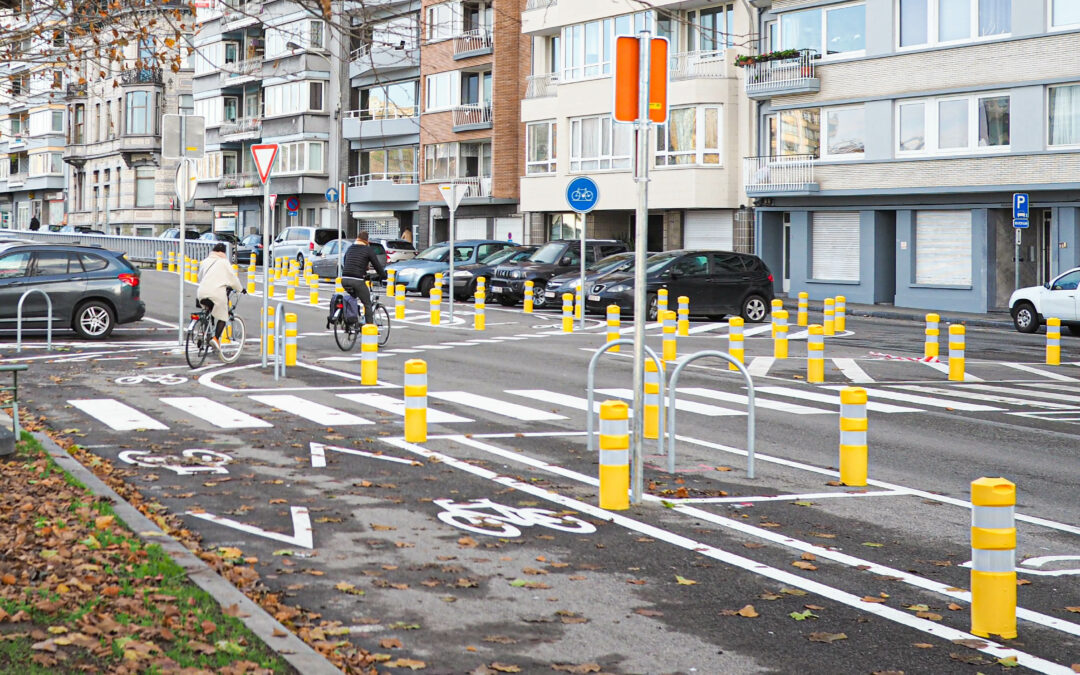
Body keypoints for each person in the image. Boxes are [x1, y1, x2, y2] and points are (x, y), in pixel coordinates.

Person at [196, 243, 244, 353]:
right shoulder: (224, 262)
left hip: (201, 292)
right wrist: (240, 289)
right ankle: (216, 339)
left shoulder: (205, 261)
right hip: (216, 293)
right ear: (223, 253)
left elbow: (200, 277)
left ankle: (205, 333)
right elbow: (233, 279)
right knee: (223, 315)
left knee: (209, 309)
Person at [341, 230, 387, 324]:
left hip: (344, 279)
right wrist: (383, 276)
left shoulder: (350, 248)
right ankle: (369, 328)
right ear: (367, 240)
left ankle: (352, 322)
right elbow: (377, 265)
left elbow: (346, 261)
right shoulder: (368, 249)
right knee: (367, 304)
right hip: (357, 280)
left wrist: (362, 268)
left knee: (353, 298)